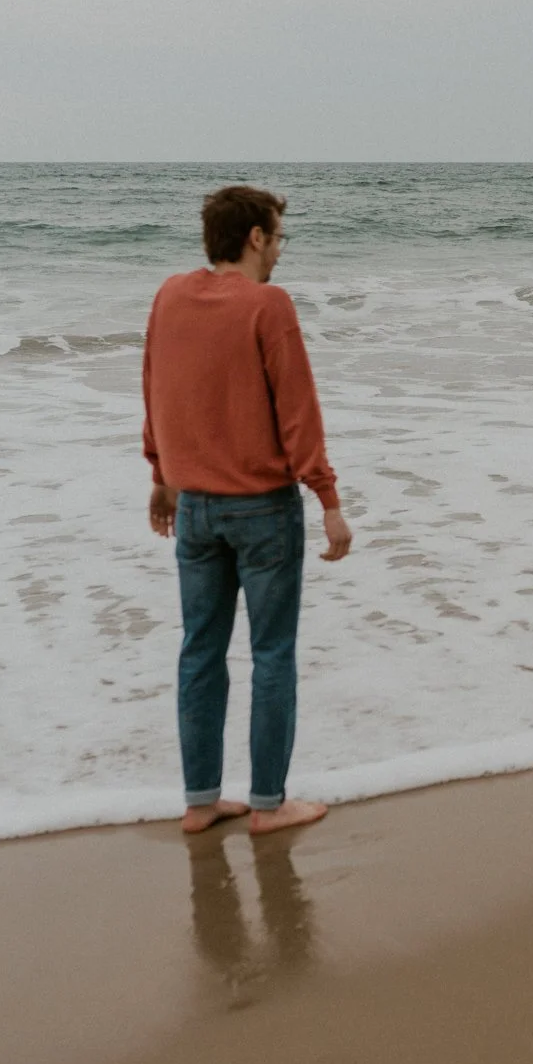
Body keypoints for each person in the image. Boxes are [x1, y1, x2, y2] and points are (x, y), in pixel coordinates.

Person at [142, 185, 352, 834]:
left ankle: (201, 802)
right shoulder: (268, 305)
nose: (282, 252)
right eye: (280, 237)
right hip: (261, 511)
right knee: (271, 655)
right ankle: (269, 805)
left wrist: (161, 476)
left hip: (196, 510)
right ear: (256, 237)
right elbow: (298, 414)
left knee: (199, 652)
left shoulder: (170, 295)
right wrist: (329, 500)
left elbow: (156, 387)